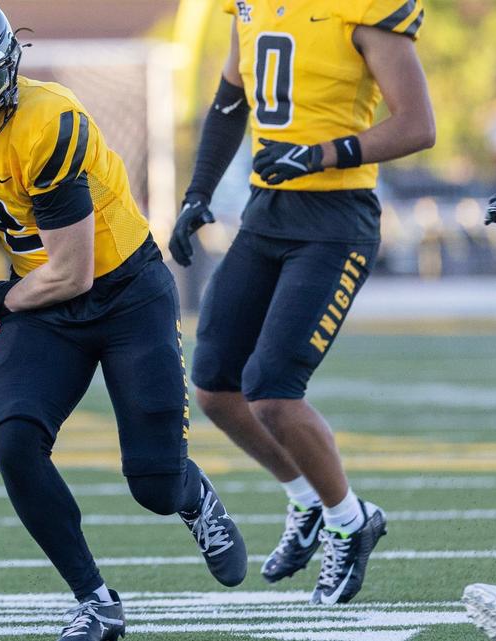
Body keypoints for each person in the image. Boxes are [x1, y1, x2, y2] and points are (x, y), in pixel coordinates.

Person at [0, 2, 247, 639]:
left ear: (8, 68)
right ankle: (95, 600)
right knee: (15, 440)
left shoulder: (46, 122)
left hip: (121, 292)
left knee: (154, 485)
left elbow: (72, 273)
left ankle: (193, 497)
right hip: (43, 297)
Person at [169, 0, 435, 605]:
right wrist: (197, 193)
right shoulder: (250, 6)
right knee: (213, 385)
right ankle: (309, 499)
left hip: (337, 221)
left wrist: (320, 154)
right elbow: (230, 101)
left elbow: (418, 124)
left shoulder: (364, 8)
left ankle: (350, 520)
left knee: (271, 390)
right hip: (267, 213)